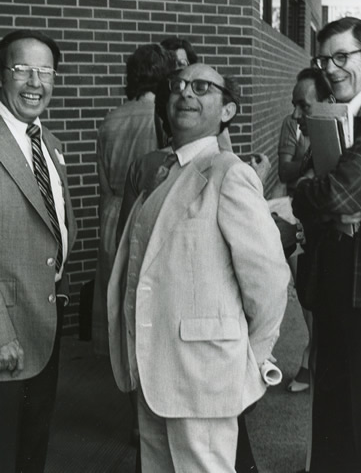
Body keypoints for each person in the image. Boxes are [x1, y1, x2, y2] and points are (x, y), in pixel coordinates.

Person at [107, 63, 290, 472]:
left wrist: (249, 359)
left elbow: (270, 280)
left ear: (227, 110)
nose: (186, 93)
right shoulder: (162, 171)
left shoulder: (230, 174)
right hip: (154, 370)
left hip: (206, 375)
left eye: (202, 87)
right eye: (179, 85)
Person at [293, 17, 361, 473]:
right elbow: (308, 184)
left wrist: (314, 194)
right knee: (333, 419)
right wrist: (317, 194)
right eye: (324, 58)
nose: (331, 68)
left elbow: (340, 191)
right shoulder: (335, 115)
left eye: (342, 57)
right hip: (337, 282)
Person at [0, 29, 77, 472]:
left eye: (45, 71)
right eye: (22, 69)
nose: (35, 81)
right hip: (6, 326)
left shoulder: (49, 144)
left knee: (33, 441)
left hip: (46, 313)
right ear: (2, 75)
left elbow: (57, 224)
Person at [92, 43, 176, 356]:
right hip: (148, 210)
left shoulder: (110, 119)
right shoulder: (166, 117)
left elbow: (103, 183)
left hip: (113, 213)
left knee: (118, 296)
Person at [278, 68, 333, 393]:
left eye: (303, 105)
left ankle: (310, 363)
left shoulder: (337, 140)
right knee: (308, 300)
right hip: (303, 229)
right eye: (294, 105)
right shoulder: (297, 129)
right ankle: (310, 362)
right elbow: (286, 171)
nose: (296, 114)